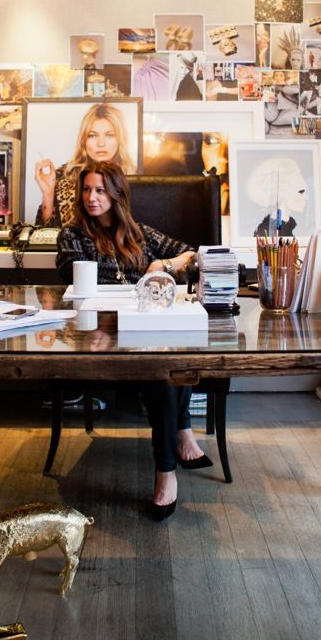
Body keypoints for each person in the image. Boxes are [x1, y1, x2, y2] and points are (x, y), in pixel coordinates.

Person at [56, 161, 208, 521]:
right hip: (99, 334)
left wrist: (165, 265)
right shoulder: (73, 233)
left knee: (170, 356)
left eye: (100, 190)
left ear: (116, 194)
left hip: (142, 326)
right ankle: (177, 446)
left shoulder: (139, 234)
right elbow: (72, 271)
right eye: (87, 189)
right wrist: (147, 271)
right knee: (163, 368)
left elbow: (191, 254)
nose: (92, 198)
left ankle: (169, 466)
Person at [34, 102, 136, 226]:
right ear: (84, 140)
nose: (101, 143)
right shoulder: (65, 175)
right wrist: (48, 194)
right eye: (92, 136)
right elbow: (46, 234)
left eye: (110, 135)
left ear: (120, 139)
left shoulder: (132, 177)